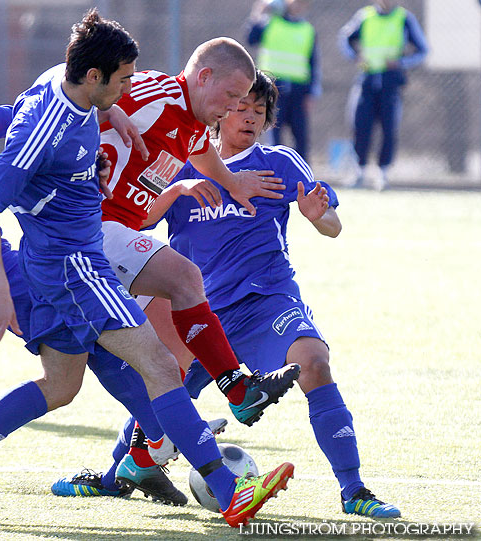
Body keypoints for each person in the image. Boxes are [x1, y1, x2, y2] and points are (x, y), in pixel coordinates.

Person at [0, 11, 294, 529]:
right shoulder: (69, 120)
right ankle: (230, 485)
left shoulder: (80, 94)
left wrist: (226, 179)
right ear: (96, 77)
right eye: (122, 80)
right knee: (162, 356)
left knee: (60, 386)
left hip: (74, 254)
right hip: (76, 259)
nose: (234, 109)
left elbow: (183, 141)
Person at [151, 70, 398, 518]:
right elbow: (141, 219)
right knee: (159, 399)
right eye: (240, 107)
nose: (249, 117)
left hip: (266, 302)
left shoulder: (280, 162)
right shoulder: (184, 162)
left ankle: (354, 489)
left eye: (259, 111)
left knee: (315, 363)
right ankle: (119, 472)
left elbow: (333, 226)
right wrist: (179, 189)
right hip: (198, 314)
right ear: (220, 109)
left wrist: (314, 216)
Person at [97, 37, 301, 452]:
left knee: (145, 364)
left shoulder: (192, 124)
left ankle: (137, 461)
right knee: (186, 279)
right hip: (90, 229)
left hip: (117, 237)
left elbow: (201, 149)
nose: (232, 109)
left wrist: (233, 182)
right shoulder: (154, 94)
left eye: (245, 102)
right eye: (230, 97)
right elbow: (71, 99)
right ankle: (236, 394)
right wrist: (107, 109)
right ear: (203, 76)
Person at [339, 0, 428, 189]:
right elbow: (345, 38)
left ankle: (383, 173)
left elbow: (423, 50)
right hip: (367, 80)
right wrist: (356, 57)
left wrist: (401, 62)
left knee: (389, 128)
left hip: (391, 82)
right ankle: (359, 171)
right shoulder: (365, 16)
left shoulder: (404, 19)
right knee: (360, 126)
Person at [245, 0, 320, 161]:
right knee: (273, 134)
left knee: (300, 136)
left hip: (299, 90)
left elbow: (313, 63)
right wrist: (258, 12)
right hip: (272, 87)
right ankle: (272, 173)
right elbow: (251, 38)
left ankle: (302, 174)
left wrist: (311, 93)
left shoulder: (308, 30)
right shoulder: (270, 22)